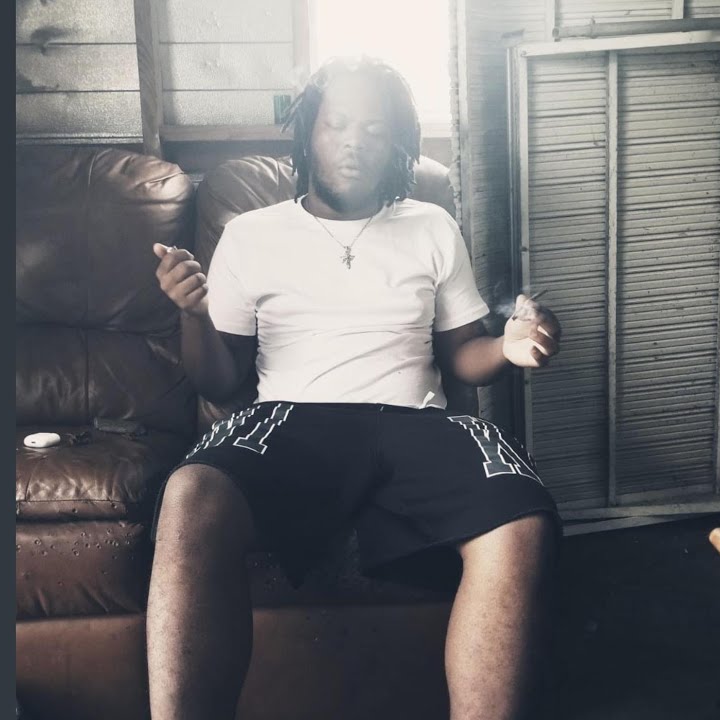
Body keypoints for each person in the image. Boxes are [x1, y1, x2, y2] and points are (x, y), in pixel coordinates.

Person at [146, 55, 565, 720]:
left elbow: (463, 357)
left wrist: (509, 349)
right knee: (190, 491)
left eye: (374, 128)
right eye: (337, 123)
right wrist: (192, 315)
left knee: (522, 514)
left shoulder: (431, 225)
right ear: (309, 132)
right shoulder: (251, 235)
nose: (353, 142)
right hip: (291, 418)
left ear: (397, 142)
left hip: (417, 421)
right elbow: (221, 381)